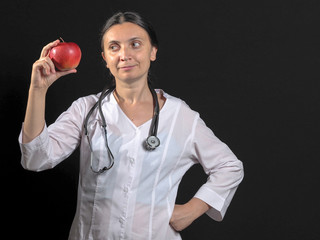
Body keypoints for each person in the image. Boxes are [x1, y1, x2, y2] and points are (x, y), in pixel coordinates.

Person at [18, 11, 244, 240]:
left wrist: (192, 209)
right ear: (105, 58)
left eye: (135, 44)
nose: (125, 54)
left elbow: (229, 166)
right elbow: (35, 159)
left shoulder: (180, 116)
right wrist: (38, 90)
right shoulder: (86, 110)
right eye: (114, 47)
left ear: (153, 51)